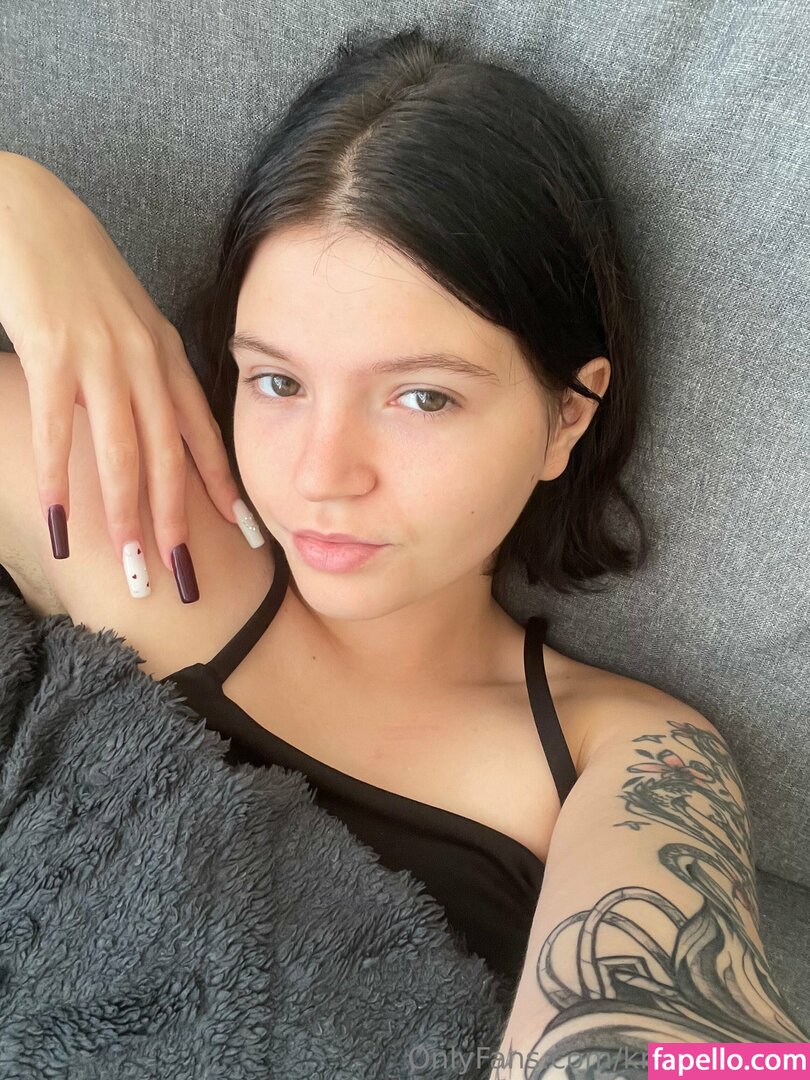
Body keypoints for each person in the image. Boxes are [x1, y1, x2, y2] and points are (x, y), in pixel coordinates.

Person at [0, 24, 805, 1068]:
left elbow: (679, 1039)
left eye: (422, 397)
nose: (322, 472)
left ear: (567, 417)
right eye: (277, 381)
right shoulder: (127, 512)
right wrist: (24, 209)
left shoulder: (619, 755)